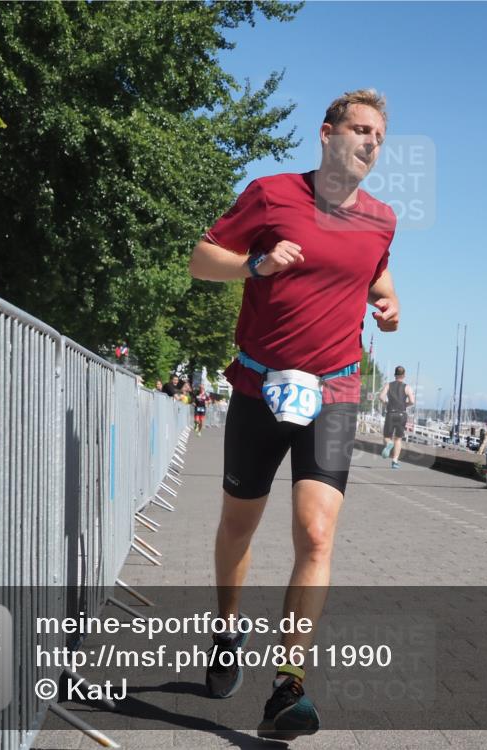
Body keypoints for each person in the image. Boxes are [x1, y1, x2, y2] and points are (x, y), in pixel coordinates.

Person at [189, 89, 399, 741]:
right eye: (360, 130)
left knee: (316, 534)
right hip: (259, 385)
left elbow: (377, 280)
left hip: (334, 391)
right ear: (328, 134)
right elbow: (202, 261)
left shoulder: (382, 220)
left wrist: (390, 307)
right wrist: (256, 261)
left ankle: (288, 687)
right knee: (238, 525)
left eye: (379, 137)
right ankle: (227, 630)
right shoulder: (272, 194)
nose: (370, 143)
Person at [379, 365, 415, 468]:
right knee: (398, 439)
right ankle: (395, 461)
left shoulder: (388, 385)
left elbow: (381, 397)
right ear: (404, 376)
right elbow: (412, 401)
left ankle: (389, 443)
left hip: (391, 413)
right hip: (402, 414)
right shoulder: (407, 387)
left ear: (395, 375)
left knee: (386, 437)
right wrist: (405, 404)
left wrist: (386, 403)